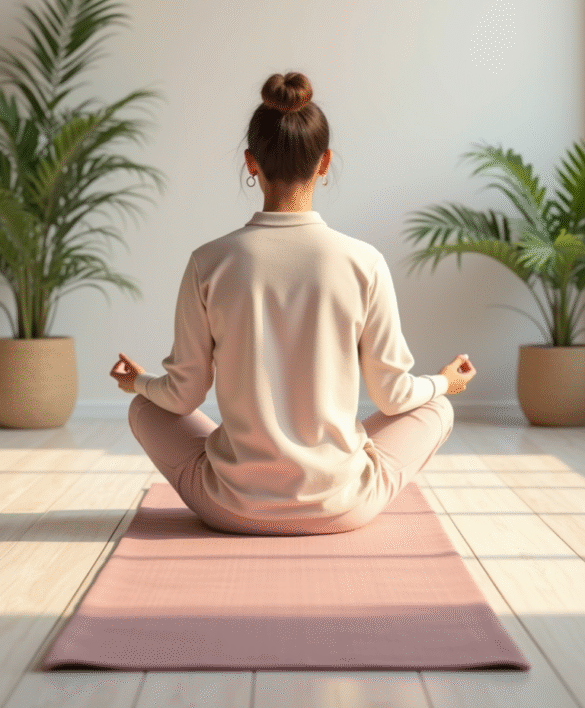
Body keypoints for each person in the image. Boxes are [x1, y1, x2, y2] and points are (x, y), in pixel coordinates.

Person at [110, 71, 476, 536]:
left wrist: (139, 382)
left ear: (251, 162)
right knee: (437, 408)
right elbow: (393, 396)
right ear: (325, 163)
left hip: (231, 507)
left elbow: (183, 397)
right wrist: (444, 382)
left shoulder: (209, 261)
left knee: (144, 408)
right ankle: (341, 474)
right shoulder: (364, 262)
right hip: (342, 507)